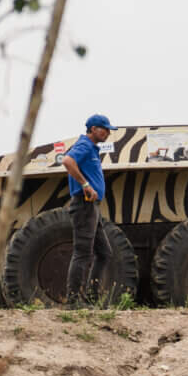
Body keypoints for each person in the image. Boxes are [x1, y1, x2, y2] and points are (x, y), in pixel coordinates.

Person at [60, 114, 114, 305]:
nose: (108, 132)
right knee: (83, 252)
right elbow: (67, 161)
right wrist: (85, 185)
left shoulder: (91, 148)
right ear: (92, 129)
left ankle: (92, 298)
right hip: (83, 205)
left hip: (91, 207)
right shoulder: (84, 145)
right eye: (104, 128)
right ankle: (74, 301)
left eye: (108, 129)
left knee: (105, 253)